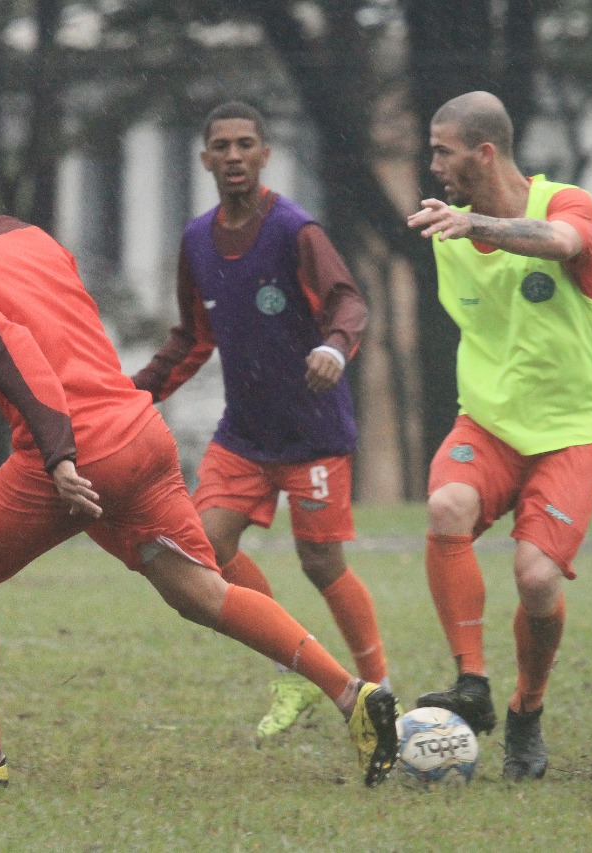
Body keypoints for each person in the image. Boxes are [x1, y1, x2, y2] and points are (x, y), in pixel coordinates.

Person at [0, 152, 400, 791]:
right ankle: (351, 695)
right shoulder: (26, 232)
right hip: (138, 431)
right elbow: (74, 320)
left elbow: (4, 345)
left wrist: (58, 451)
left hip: (77, 451)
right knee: (202, 593)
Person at [133, 101, 394, 744]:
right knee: (204, 552)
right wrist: (128, 396)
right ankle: (296, 669)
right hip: (243, 436)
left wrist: (334, 347)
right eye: (220, 146)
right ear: (204, 160)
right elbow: (193, 338)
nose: (232, 156)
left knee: (321, 563)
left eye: (245, 144)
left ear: (265, 154)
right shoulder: (196, 240)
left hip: (313, 433)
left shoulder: (295, 230)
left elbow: (348, 300)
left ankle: (380, 690)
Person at [406, 91, 592, 780]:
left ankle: (527, 710)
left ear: (484, 152)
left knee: (534, 577)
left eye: (443, 150)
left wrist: (478, 226)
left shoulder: (566, 203)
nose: (433, 163)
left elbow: (563, 244)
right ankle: (472, 683)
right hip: (491, 423)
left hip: (575, 428)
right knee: (446, 508)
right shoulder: (448, 228)